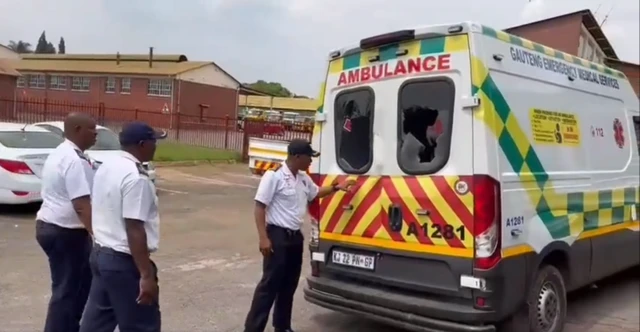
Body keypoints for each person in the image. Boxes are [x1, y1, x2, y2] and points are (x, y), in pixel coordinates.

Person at [244, 139, 356, 332]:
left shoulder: (303, 178)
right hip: (277, 236)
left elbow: (316, 193)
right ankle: (253, 328)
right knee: (269, 285)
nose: (310, 161)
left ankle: (283, 326)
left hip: (295, 238)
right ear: (296, 157)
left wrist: (337, 187)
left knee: (289, 285)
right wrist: (263, 237)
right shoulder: (274, 176)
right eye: (308, 157)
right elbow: (260, 206)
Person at [79, 121, 166, 332]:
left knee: (96, 325)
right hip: (123, 262)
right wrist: (145, 275)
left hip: (101, 254)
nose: (156, 146)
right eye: (154, 141)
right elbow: (134, 227)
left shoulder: (108, 166)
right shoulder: (137, 178)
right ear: (143, 144)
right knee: (142, 325)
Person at [35, 112, 97, 332]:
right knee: (67, 290)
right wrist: (97, 237)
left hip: (54, 227)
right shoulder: (72, 159)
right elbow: (81, 204)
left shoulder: (64, 153)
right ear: (78, 130)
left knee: (79, 287)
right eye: (92, 129)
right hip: (65, 232)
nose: (96, 133)